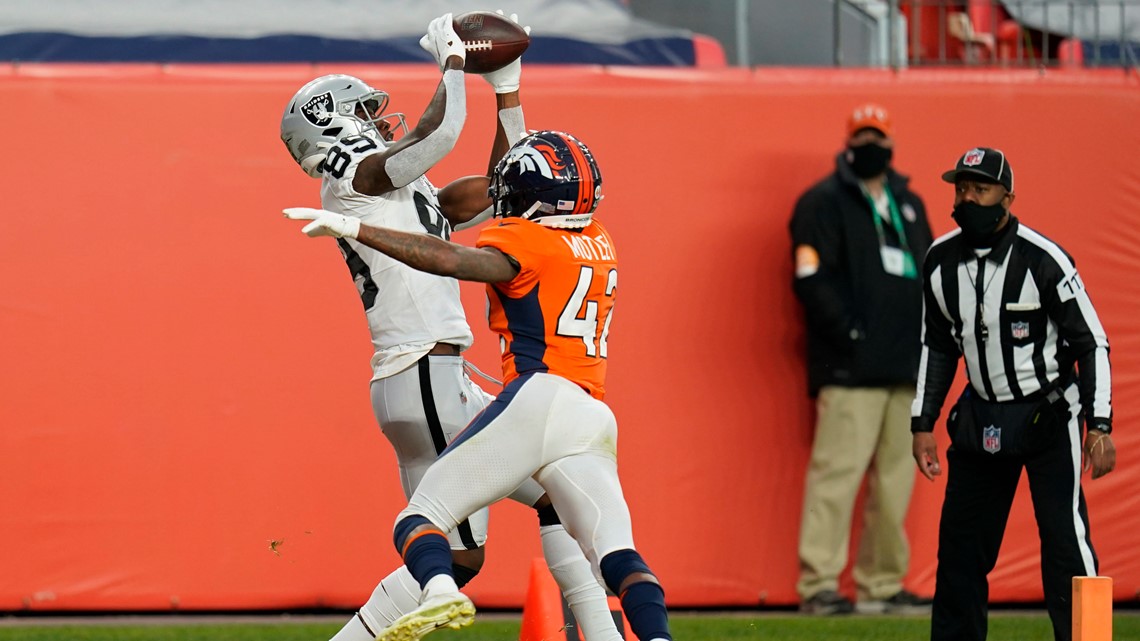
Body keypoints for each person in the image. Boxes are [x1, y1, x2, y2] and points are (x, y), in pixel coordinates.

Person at [279, 13, 621, 641]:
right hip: (424, 372)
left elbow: (505, 188)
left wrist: (508, 88)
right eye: (368, 112)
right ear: (335, 123)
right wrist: (455, 64)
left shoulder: (395, 193)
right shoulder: (350, 180)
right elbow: (439, 132)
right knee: (466, 538)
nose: (384, 118)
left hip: (432, 378)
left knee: (516, 519)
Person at [912, 147, 1116, 641]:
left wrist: (1100, 423)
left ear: (1008, 197)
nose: (968, 199)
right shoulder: (940, 261)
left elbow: (1092, 341)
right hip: (982, 418)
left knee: (1066, 546)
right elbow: (936, 346)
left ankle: (1088, 639)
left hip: (1049, 415)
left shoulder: (1043, 259)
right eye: (961, 189)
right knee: (960, 552)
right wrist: (923, 423)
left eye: (980, 189)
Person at [789, 103, 934, 615]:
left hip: (904, 365)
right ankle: (819, 585)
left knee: (896, 481)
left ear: (891, 144)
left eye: (879, 136)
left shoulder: (909, 203)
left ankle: (882, 583)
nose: (871, 144)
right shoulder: (823, 203)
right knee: (836, 476)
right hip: (849, 369)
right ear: (850, 142)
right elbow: (809, 276)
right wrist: (850, 332)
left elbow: (929, 275)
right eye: (863, 135)